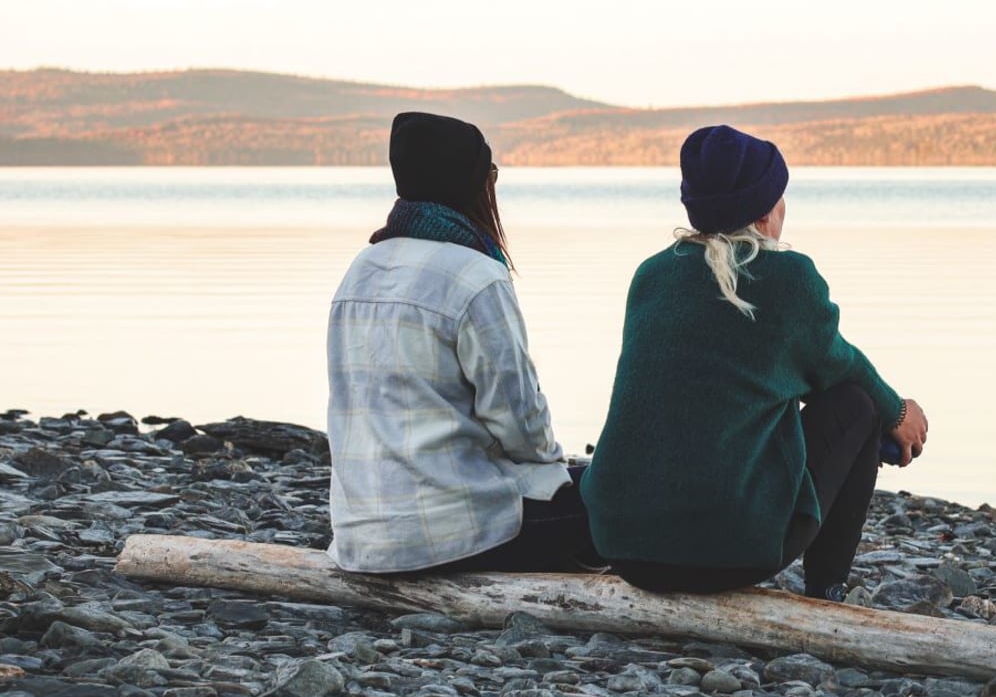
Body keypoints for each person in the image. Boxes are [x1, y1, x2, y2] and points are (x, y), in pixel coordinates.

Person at [581, 123, 928, 598]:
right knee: (857, 405)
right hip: (729, 553)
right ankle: (826, 590)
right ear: (766, 212)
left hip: (622, 544)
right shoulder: (787, 277)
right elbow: (841, 368)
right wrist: (900, 413)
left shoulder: (652, 274)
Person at [327, 110, 595, 574]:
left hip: (359, 534)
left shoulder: (360, 269)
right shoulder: (477, 276)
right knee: (610, 497)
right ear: (472, 184)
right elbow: (519, 423)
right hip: (452, 535)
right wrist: (555, 475)